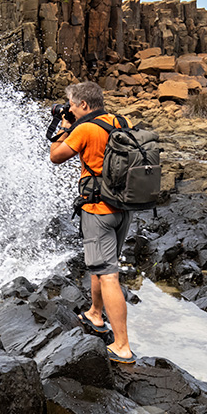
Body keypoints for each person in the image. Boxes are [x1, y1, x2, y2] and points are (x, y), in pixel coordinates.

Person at [48, 81, 135, 363]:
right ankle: (95, 314)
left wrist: (63, 127)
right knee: (100, 266)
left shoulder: (85, 128)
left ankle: (122, 345)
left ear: (84, 105)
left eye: (72, 105)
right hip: (124, 207)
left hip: (98, 209)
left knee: (109, 275)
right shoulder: (122, 121)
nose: (70, 109)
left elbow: (55, 156)